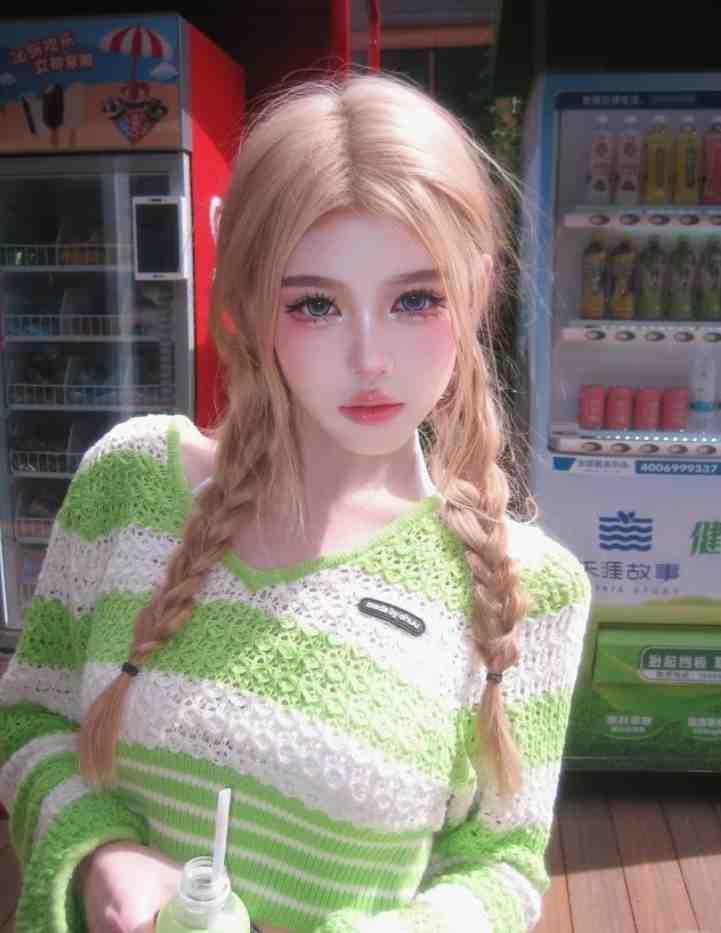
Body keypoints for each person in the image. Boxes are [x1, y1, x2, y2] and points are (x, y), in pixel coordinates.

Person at [0, 72, 591, 933]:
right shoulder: (128, 485)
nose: (369, 358)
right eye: (315, 304)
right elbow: (28, 716)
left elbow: (502, 861)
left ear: (477, 288)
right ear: (248, 303)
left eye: (415, 299)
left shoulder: (526, 585)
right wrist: (100, 856)